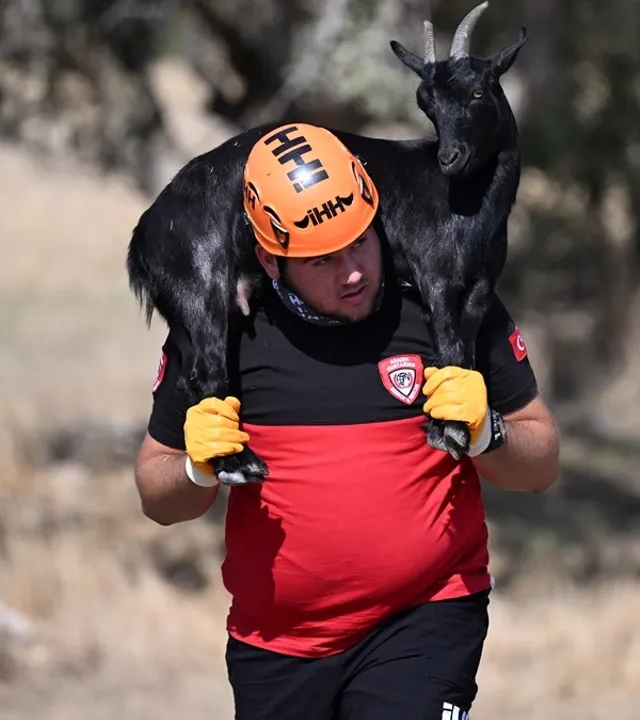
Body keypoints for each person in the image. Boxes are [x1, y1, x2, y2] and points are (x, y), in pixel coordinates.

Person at [133, 122, 560, 720]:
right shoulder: (227, 332)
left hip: (426, 617)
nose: (353, 271)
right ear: (269, 258)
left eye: (360, 242)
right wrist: (197, 471)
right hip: (277, 644)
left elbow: (540, 462)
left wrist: (488, 432)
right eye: (323, 259)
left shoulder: (448, 301)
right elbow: (158, 495)